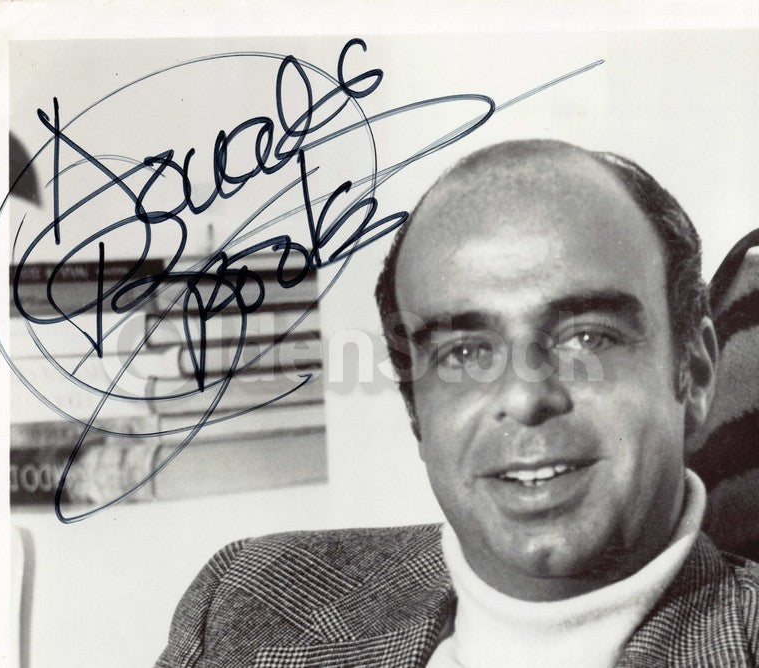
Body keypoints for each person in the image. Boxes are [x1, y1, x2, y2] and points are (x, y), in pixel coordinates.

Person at [156, 140, 759, 667]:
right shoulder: (248, 598)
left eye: (588, 338)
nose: (526, 397)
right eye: (465, 353)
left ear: (695, 372)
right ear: (416, 411)